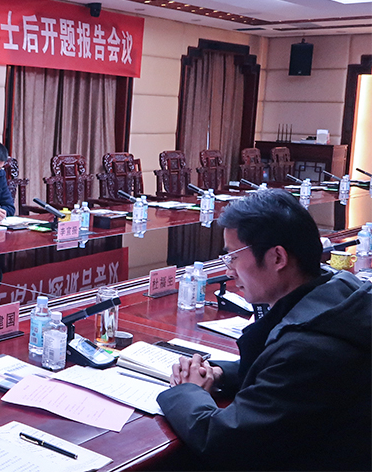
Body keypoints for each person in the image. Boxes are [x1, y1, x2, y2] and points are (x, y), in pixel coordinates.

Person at [157, 189, 370, 471]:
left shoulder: (308, 351)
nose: (229, 270)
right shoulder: (341, 287)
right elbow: (279, 368)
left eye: (233, 257)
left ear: (277, 258)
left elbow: (224, 442)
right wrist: (219, 373)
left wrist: (187, 390)